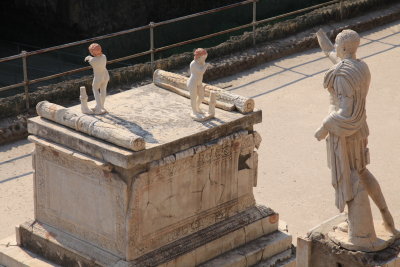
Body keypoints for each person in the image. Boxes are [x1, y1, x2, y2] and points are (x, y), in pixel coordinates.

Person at [315, 29, 397, 249]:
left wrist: (323, 127)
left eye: (336, 47)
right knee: (361, 171)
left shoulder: (342, 75)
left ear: (343, 49)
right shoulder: (360, 66)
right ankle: (387, 219)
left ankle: (362, 234)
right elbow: (332, 53)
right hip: (360, 129)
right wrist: (320, 36)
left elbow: (345, 112)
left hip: (345, 132)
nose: (334, 50)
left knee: (351, 177)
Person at [84, 43, 110, 114]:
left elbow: (90, 59)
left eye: (91, 51)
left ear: (92, 52)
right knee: (103, 90)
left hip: (98, 77)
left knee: (95, 89)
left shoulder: (93, 60)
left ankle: (98, 108)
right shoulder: (104, 56)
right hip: (105, 75)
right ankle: (101, 106)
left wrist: (88, 57)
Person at [187, 48, 209, 120]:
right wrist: (206, 65)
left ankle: (197, 108)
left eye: (205, 57)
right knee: (193, 98)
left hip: (199, 83)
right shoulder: (193, 63)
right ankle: (194, 111)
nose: (205, 58)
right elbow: (201, 71)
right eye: (204, 57)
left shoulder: (201, 62)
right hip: (192, 82)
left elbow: (202, 67)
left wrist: (204, 63)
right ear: (199, 57)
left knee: (201, 96)